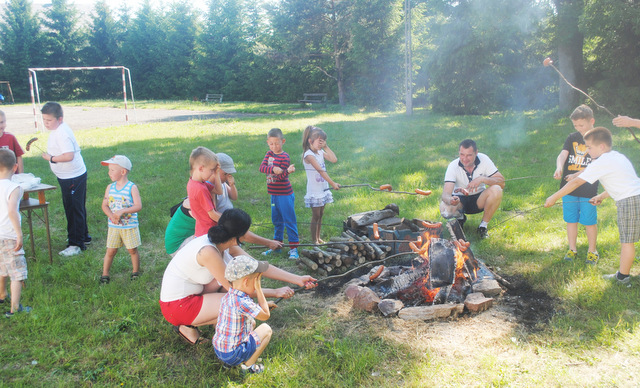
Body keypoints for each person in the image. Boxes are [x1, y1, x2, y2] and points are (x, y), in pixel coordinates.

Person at [159, 208, 316, 345]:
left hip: (195, 293)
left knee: (239, 299)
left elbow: (258, 266)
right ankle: (187, 326)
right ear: (240, 236)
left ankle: (217, 325)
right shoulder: (209, 252)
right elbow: (238, 293)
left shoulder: (224, 243)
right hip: (177, 306)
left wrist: (297, 279)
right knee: (244, 314)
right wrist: (274, 292)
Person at [545, 127, 640, 286]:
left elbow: (576, 182)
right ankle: (623, 275)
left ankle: (623, 278)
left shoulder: (601, 162)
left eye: (589, 147)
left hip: (629, 202)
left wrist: (554, 197)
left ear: (601, 146)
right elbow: (624, 180)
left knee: (627, 242)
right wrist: (602, 196)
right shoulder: (617, 157)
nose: (587, 151)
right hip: (635, 196)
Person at [164, 152, 281, 256]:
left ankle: (253, 267)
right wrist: (268, 242)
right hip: (180, 246)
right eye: (225, 173)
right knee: (228, 246)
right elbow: (233, 228)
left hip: (200, 235)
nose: (228, 176)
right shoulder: (202, 192)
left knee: (230, 247)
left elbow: (222, 193)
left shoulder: (212, 186)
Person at [40, 102, 90, 256]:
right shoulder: (57, 130)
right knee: (76, 207)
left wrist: (51, 158)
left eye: (49, 120)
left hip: (73, 177)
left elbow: (69, 156)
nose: (46, 123)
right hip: (67, 177)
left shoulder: (62, 133)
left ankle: (75, 244)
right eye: (44, 120)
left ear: (59, 119)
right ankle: (83, 236)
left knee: (73, 209)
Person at [553, 105, 599, 263]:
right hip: (568, 189)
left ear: (591, 121)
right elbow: (563, 154)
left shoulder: (598, 139)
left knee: (589, 221)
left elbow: (595, 165)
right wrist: (559, 167)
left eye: (582, 125)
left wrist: (576, 175)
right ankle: (572, 249)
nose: (579, 129)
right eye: (576, 126)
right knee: (571, 220)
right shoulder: (572, 137)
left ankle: (592, 251)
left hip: (588, 189)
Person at [213, 255, 271, 374]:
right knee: (266, 329)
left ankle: (228, 363)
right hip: (233, 354)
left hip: (220, 350)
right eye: (256, 281)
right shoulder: (243, 302)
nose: (257, 285)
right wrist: (259, 289)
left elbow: (253, 311)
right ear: (246, 282)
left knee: (252, 322)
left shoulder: (230, 296)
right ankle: (248, 366)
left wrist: (266, 304)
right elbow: (265, 315)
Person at [440, 139, 505, 239]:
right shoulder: (453, 166)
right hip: (460, 200)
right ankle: (460, 218)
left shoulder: (484, 159)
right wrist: (450, 200)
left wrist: (483, 179)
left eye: (469, 155)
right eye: (462, 154)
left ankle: (483, 227)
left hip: (479, 199)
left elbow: (501, 182)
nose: (464, 159)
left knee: (497, 189)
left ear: (476, 153)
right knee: (444, 208)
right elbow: (446, 194)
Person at [99, 155, 142, 284]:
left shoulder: (131, 187)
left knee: (132, 250)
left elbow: (138, 206)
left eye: (112, 170)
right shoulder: (110, 188)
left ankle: (135, 272)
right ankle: (105, 274)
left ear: (123, 172)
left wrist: (122, 211)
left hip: (129, 226)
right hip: (114, 227)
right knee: (110, 250)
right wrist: (111, 216)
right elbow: (104, 205)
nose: (109, 172)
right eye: (109, 169)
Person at [0, 149, 32, 317]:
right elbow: (12, 211)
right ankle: (15, 308)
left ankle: (2, 294)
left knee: (2, 266)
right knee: (17, 272)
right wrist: (19, 234)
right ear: (15, 166)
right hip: (9, 235)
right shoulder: (15, 187)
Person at [259, 128, 300, 259]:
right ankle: (277, 245)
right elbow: (262, 168)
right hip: (273, 194)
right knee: (276, 220)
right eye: (271, 144)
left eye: (277, 143)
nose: (274, 146)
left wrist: (286, 172)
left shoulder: (285, 156)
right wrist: (273, 169)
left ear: (283, 141)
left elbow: (281, 177)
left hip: (285, 194)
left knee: (289, 220)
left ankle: (294, 248)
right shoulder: (268, 154)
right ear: (267, 143)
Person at [302, 126, 339, 245]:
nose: (321, 143)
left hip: (323, 188)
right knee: (316, 215)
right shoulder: (308, 155)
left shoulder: (320, 152)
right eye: (319, 141)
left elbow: (334, 160)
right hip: (314, 190)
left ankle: (318, 238)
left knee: (321, 214)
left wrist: (326, 147)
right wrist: (333, 183)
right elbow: (320, 170)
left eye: (323, 141)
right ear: (310, 141)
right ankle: (314, 240)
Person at [187, 146, 222, 238]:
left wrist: (216, 173)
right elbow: (212, 214)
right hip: (208, 232)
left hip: (203, 231)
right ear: (201, 168)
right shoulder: (199, 189)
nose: (212, 173)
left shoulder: (197, 183)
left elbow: (219, 191)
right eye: (211, 170)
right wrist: (229, 222)